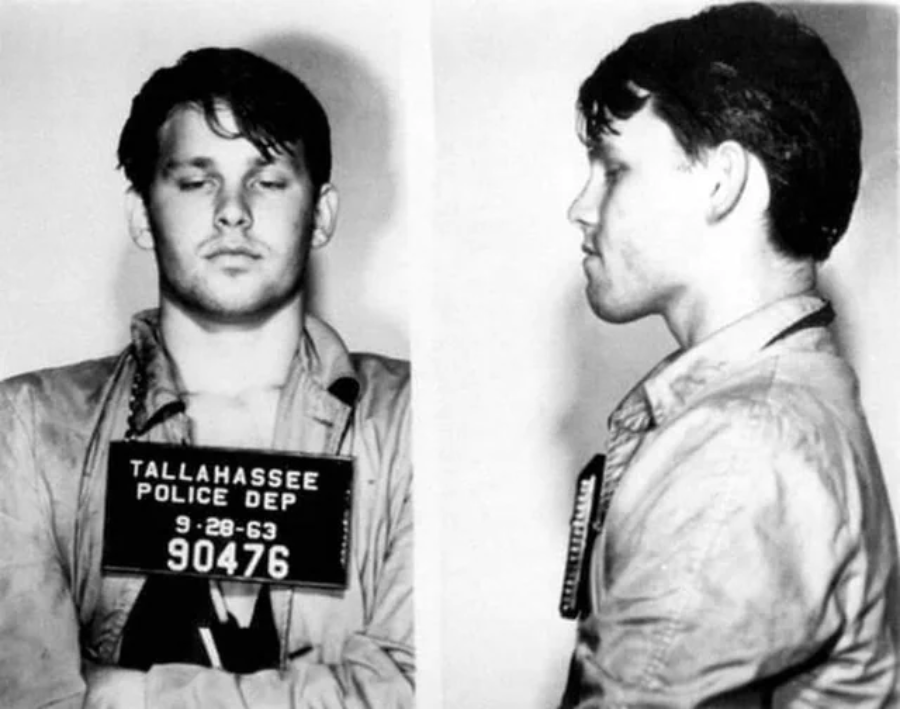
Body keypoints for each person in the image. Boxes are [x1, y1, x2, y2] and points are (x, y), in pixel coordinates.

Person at [0, 47, 412, 708]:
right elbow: (28, 695)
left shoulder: (409, 419)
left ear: (323, 214)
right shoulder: (26, 426)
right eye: (196, 180)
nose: (233, 210)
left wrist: (126, 695)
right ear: (141, 214)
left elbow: (408, 690)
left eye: (269, 180)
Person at [559, 3, 898, 706]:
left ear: (724, 182)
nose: (581, 207)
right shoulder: (765, 411)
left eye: (614, 169)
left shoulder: (741, 447)